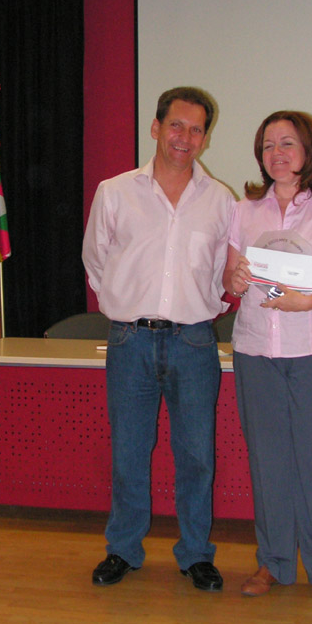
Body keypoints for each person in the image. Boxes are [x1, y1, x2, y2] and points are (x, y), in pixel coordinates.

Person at [82, 87, 234, 590]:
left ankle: (196, 554)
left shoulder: (221, 201)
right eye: (176, 125)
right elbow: (95, 261)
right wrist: (126, 302)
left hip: (194, 343)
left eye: (196, 129)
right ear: (155, 128)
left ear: (205, 138)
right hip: (131, 341)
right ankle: (123, 549)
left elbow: (222, 272)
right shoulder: (115, 192)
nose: (184, 137)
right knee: (129, 453)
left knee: (197, 456)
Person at [223, 110, 312, 606]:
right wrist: (234, 280)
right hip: (256, 350)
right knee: (267, 461)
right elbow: (230, 280)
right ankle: (273, 562)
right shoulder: (244, 210)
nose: (276, 154)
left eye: (287, 143)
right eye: (268, 146)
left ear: (310, 149)